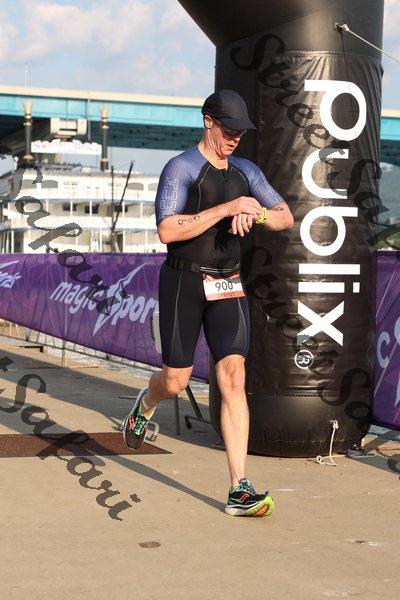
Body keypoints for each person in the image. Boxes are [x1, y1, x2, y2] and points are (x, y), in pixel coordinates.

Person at [122, 89, 294, 517]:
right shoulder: (181, 168)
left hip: (228, 284)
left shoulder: (247, 171)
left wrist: (255, 213)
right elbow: (167, 229)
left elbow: (285, 216)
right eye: (229, 129)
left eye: (241, 131)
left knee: (233, 376)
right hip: (183, 282)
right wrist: (226, 208)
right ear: (208, 121)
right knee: (175, 381)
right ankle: (145, 405)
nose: (235, 138)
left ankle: (239, 488)